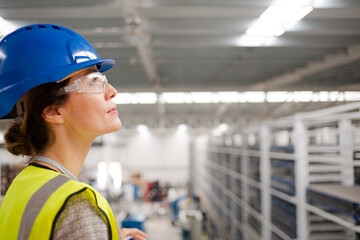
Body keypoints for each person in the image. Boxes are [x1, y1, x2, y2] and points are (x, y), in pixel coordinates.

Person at [0, 24, 148, 240]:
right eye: (94, 82)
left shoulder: (22, 187)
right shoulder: (77, 203)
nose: (112, 92)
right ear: (53, 111)